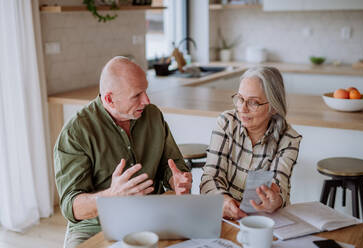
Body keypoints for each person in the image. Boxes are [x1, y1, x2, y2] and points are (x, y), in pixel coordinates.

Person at [54, 56, 192, 248]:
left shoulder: (152, 115)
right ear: (110, 99)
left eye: (146, 90)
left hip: (151, 215)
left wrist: (176, 181)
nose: (147, 100)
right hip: (96, 227)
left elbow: (171, 164)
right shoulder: (76, 133)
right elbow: (72, 206)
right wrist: (111, 195)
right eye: (137, 95)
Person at [200, 66, 302, 220]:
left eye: (253, 102)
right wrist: (224, 200)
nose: (243, 108)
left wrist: (275, 200)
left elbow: (279, 185)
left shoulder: (288, 139)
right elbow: (210, 177)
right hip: (225, 215)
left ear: (273, 107)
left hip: (264, 219)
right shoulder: (226, 122)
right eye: (240, 99)